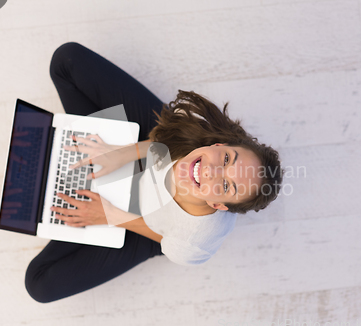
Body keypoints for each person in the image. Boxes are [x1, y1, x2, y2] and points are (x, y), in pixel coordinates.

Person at [25, 42, 284, 303]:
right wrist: (120, 152)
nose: (212, 170)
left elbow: (163, 239)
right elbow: (164, 145)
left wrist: (109, 214)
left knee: (39, 284)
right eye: (227, 158)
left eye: (227, 186)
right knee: (66, 61)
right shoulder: (199, 137)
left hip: (148, 224)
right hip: (155, 148)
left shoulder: (194, 242)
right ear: (220, 144)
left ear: (218, 204)